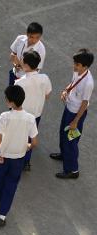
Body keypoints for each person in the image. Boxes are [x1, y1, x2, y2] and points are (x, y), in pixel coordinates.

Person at [0, 85, 39, 227]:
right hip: (19, 158)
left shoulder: (4, 116)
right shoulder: (30, 119)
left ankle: (2, 198)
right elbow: (34, 142)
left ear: (11, 102)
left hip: (3, 156)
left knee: (1, 180)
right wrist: (28, 146)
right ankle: (3, 215)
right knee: (12, 184)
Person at [50, 48, 94, 179]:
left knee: (71, 141)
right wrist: (66, 90)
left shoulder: (88, 83)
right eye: (74, 63)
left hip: (75, 115)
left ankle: (73, 170)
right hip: (69, 108)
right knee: (63, 135)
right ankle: (64, 155)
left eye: (77, 64)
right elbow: (73, 83)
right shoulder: (78, 72)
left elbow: (85, 103)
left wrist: (75, 121)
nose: (74, 66)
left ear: (85, 66)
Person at [14, 50, 52, 170]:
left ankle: (19, 160)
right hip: (36, 114)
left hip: (22, 115)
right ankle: (26, 161)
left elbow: (14, 103)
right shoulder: (44, 78)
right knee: (31, 136)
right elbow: (47, 94)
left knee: (20, 137)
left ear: (25, 65)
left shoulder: (20, 82)